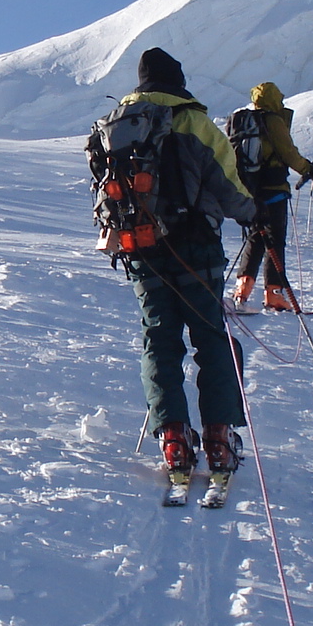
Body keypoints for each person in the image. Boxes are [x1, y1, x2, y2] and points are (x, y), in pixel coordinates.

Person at [110, 48, 257, 479]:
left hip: (140, 246)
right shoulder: (193, 120)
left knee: (160, 339)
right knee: (211, 337)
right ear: (177, 79)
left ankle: (173, 438)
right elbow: (229, 187)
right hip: (197, 247)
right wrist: (254, 215)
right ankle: (218, 435)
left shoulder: (120, 124)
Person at [229, 81, 311, 312]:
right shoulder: (273, 120)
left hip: (252, 189)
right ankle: (274, 294)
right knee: (275, 241)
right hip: (274, 188)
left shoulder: (245, 123)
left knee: (255, 238)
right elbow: (288, 152)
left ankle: (242, 290)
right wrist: (308, 169)